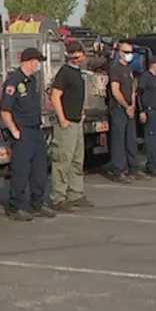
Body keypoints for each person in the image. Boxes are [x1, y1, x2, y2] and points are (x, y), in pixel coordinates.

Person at [0, 47, 55, 221]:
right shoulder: (14, 81)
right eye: (37, 61)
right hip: (23, 132)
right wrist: (15, 131)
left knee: (40, 169)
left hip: (35, 130)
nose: (38, 65)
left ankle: (37, 203)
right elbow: (5, 110)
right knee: (21, 171)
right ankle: (15, 207)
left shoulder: (31, 81)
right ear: (29, 61)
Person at [48, 41, 94, 212]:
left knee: (76, 160)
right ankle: (58, 197)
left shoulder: (78, 73)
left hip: (76, 122)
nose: (79, 57)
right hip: (66, 123)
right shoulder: (65, 72)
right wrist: (62, 119)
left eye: (80, 53)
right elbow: (55, 96)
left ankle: (75, 193)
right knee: (62, 160)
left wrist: (80, 114)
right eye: (75, 54)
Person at [105, 42, 144, 183]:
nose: (130, 54)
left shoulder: (128, 69)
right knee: (118, 141)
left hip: (129, 109)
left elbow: (133, 90)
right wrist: (126, 106)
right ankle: (118, 170)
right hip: (118, 109)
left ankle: (134, 168)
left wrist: (133, 106)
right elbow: (115, 90)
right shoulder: (115, 69)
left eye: (131, 52)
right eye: (127, 52)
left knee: (130, 140)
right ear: (120, 53)